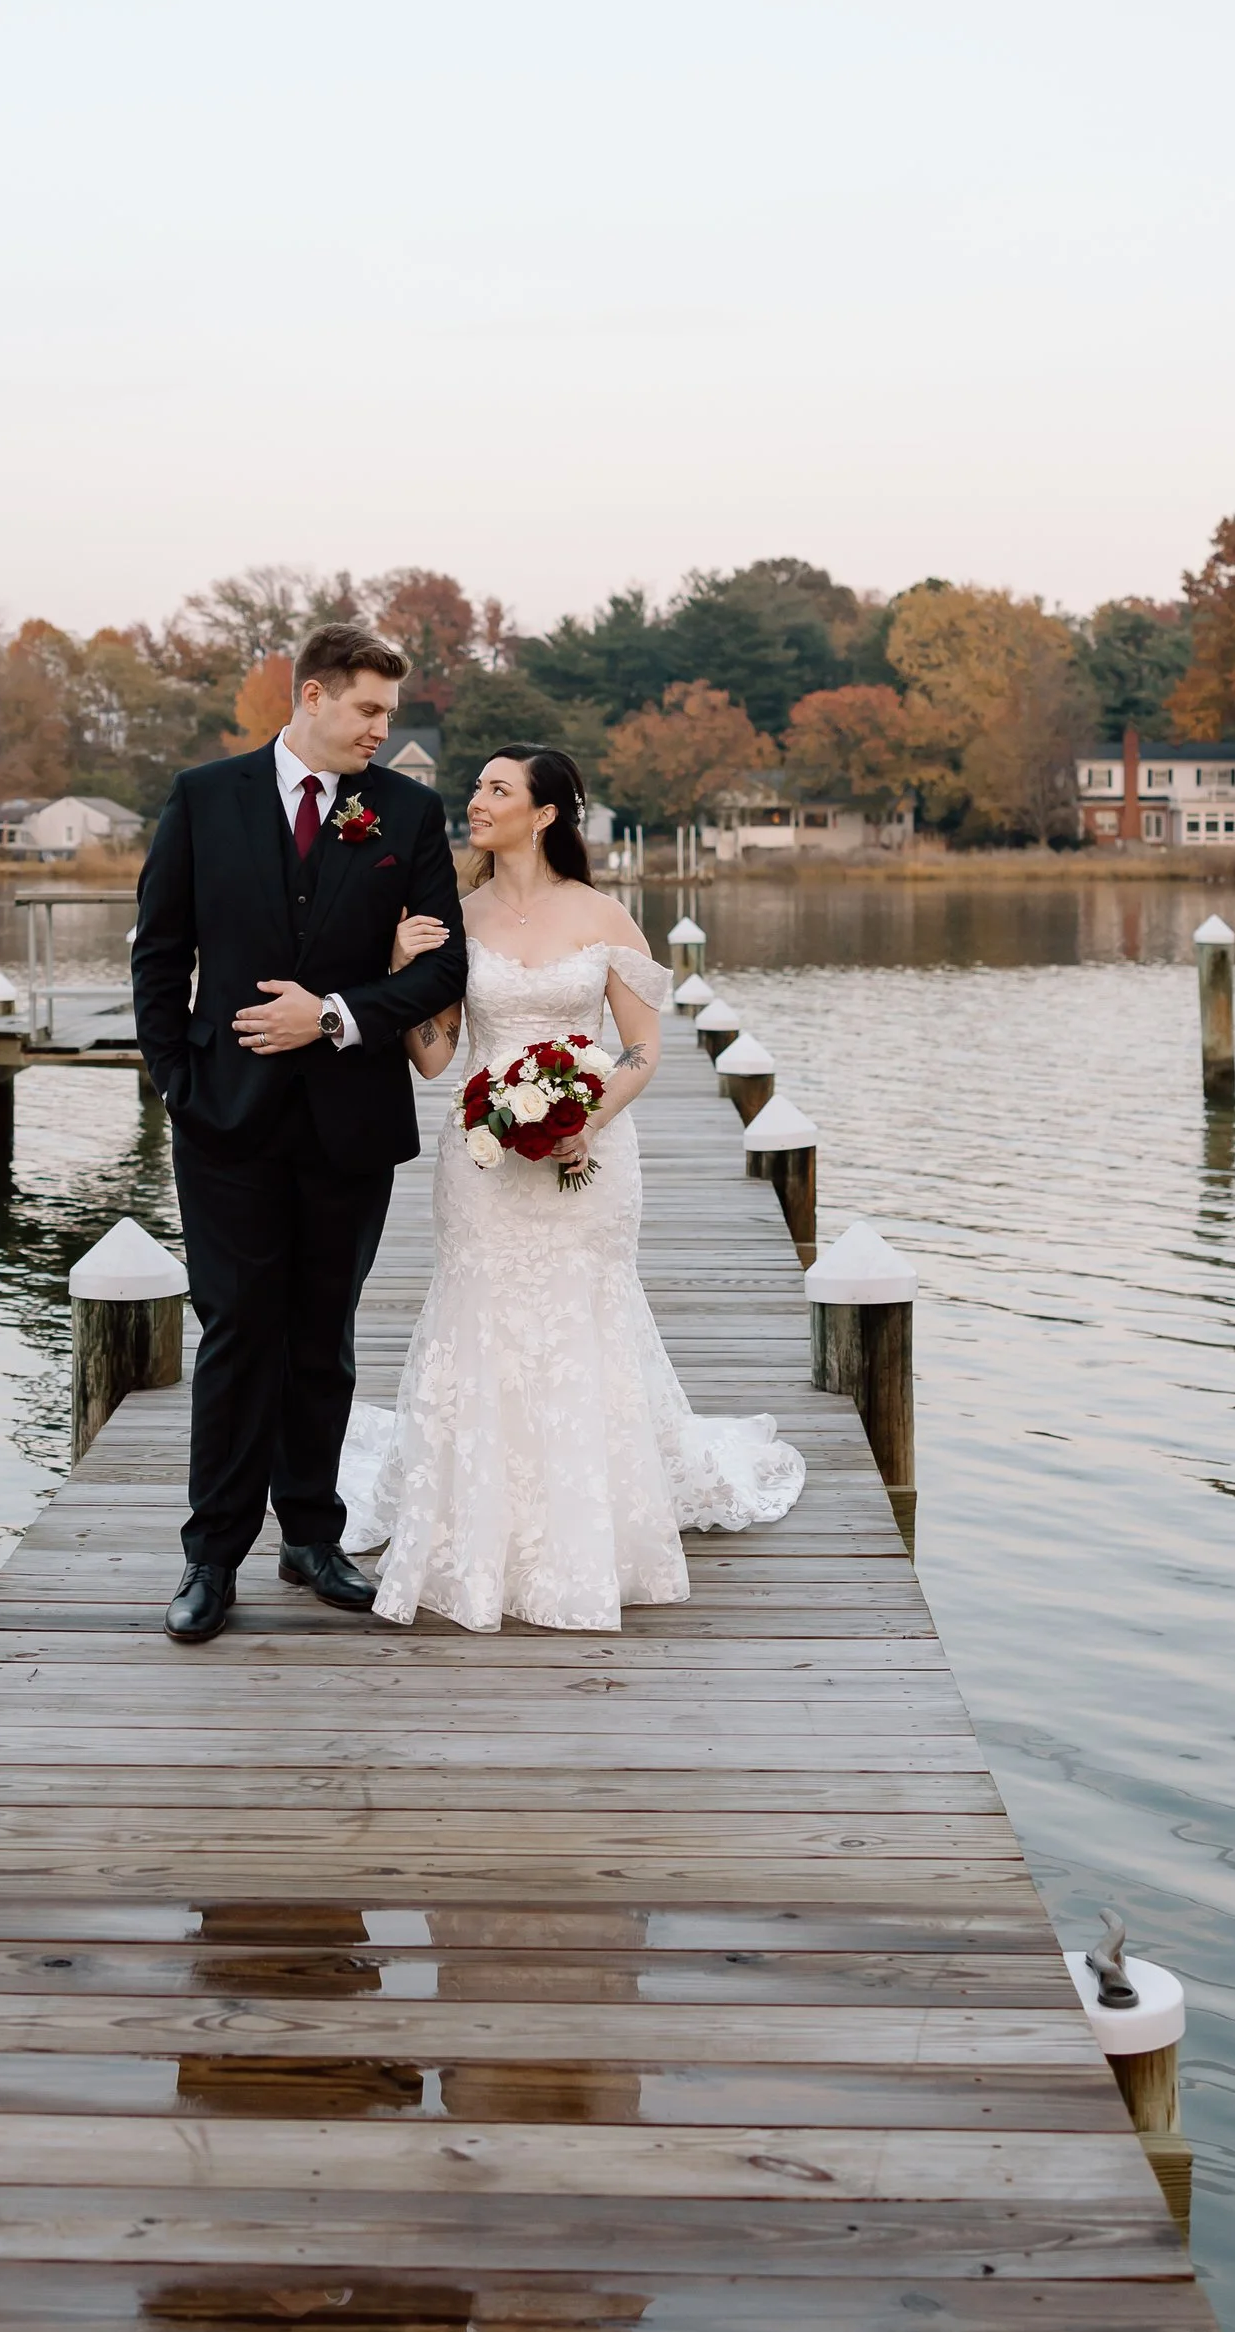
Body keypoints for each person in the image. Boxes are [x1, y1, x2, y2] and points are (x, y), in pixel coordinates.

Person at [339, 744, 802, 1630]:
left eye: (497, 789)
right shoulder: (454, 917)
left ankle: (587, 1526)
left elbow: (642, 1049)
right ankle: (473, 1522)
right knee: (482, 1311)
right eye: (477, 787)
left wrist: (584, 1119)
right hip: (480, 1161)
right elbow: (435, 1059)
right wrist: (399, 973)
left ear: (544, 813)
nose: (477, 801)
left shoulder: (603, 915)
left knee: (579, 1315)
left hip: (587, 1158)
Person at [130, 620, 467, 1644]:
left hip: (350, 1118)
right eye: (367, 709)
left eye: (388, 713)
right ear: (311, 695)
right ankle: (210, 1556)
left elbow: (443, 969)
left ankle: (312, 1538)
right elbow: (159, 953)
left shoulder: (406, 811)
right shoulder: (204, 798)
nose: (380, 730)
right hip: (223, 1118)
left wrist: (333, 1015)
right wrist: (178, 1081)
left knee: (324, 1335)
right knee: (237, 1332)